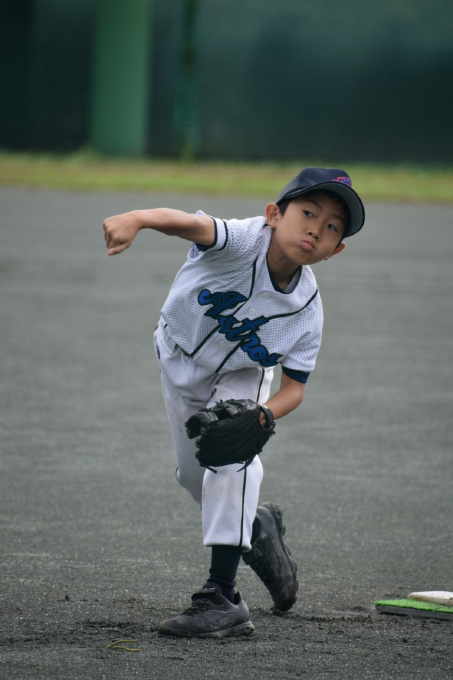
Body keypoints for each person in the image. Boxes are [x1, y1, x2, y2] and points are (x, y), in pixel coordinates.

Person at [103, 166, 365, 638]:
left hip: (242, 375)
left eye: (332, 227)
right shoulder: (242, 239)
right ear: (273, 214)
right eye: (308, 212)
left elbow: (295, 387)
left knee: (232, 458)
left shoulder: (307, 310)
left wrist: (263, 414)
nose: (315, 229)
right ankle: (257, 528)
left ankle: (222, 597)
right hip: (176, 355)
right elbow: (186, 222)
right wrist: (137, 218)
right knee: (194, 476)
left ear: (336, 250)